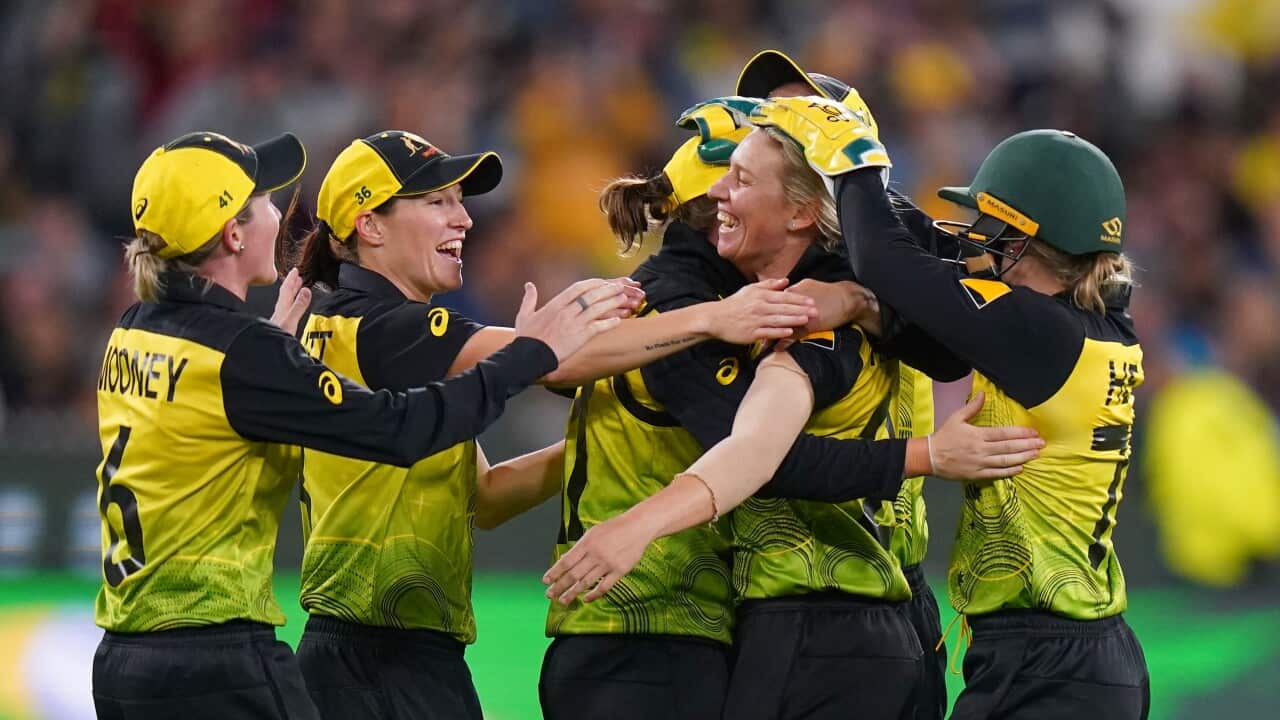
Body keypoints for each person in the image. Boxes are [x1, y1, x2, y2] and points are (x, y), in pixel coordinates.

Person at [92, 130, 627, 720]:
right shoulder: (262, 350)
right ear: (233, 233)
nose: (281, 213)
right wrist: (530, 353)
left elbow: (211, 414)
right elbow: (397, 430)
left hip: (124, 655)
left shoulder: (135, 328)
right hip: (221, 659)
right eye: (266, 201)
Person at [288, 129, 819, 720]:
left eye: (460, 201)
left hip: (390, 654)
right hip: (376, 661)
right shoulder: (385, 328)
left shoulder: (358, 328)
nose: (463, 220)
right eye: (437, 202)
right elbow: (557, 359)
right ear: (371, 224)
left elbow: (484, 497)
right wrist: (714, 318)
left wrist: (596, 439)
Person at [540, 104, 1043, 720]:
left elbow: (757, 456)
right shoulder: (870, 292)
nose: (725, 189)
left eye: (743, 179)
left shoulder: (801, 323)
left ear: (804, 210)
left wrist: (635, 524)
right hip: (898, 619)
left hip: (808, 628)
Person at [752, 96, 1151, 719]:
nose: (977, 241)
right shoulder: (1085, 324)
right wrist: (860, 289)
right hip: (1067, 655)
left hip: (1048, 659)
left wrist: (855, 159)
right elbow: (936, 331)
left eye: (993, 228)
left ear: (1030, 237)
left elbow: (887, 260)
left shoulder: (1037, 331)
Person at [736, 49, 949, 720]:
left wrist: (863, 301)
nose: (771, 131)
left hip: (869, 605)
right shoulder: (726, 264)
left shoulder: (895, 257)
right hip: (826, 597)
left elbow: (949, 346)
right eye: (765, 120)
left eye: (800, 121)